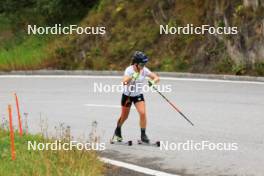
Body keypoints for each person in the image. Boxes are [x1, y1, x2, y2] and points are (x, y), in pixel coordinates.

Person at [113, 51, 159, 143]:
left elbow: (156, 78)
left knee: (142, 113)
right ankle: (117, 131)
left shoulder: (144, 70)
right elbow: (124, 82)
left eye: (144, 64)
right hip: (128, 96)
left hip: (138, 95)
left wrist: (153, 82)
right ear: (136, 63)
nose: (143, 66)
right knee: (124, 116)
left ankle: (143, 135)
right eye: (142, 64)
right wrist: (132, 77)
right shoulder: (129, 70)